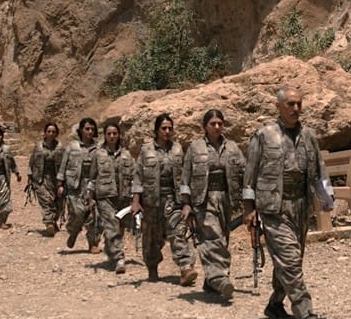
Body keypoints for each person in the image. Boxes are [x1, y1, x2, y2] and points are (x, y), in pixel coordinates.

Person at [242, 87, 333, 319]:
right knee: (289, 259)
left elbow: (319, 170)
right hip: (274, 208)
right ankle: (305, 312)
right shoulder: (263, 135)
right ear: (278, 106)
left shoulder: (309, 136)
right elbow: (250, 174)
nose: (295, 108)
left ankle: (275, 304)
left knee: (292, 259)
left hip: (300, 206)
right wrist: (249, 209)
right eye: (290, 104)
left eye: (299, 104)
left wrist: (326, 198)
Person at [180, 109, 245, 300]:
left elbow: (245, 171)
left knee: (222, 238)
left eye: (220, 123)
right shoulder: (195, 148)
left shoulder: (232, 147)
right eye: (213, 124)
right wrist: (186, 204)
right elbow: (185, 180)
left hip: (226, 199)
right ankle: (220, 279)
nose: (217, 127)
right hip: (204, 200)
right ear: (205, 127)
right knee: (212, 237)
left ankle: (210, 282)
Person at [132, 113, 196, 285]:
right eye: (163, 128)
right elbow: (138, 176)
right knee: (151, 238)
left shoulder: (178, 149)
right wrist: (136, 201)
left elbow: (185, 176)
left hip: (173, 200)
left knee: (177, 232)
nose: (167, 131)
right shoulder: (146, 150)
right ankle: (152, 267)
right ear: (156, 130)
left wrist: (187, 202)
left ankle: (185, 268)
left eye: (169, 128)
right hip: (151, 201)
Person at [87, 120, 136, 273]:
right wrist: (91, 197)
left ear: (119, 135)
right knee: (111, 226)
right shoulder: (98, 154)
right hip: (105, 197)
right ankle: (119, 258)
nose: (112, 136)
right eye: (109, 134)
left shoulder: (127, 155)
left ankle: (111, 250)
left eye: (115, 133)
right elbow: (92, 177)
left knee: (120, 227)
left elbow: (134, 177)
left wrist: (136, 197)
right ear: (105, 136)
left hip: (124, 197)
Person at [57, 118, 99, 250]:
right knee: (77, 213)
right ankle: (74, 230)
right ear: (81, 130)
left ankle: (93, 243)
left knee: (93, 215)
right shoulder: (72, 147)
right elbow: (63, 166)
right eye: (87, 129)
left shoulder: (98, 148)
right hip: (74, 185)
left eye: (92, 129)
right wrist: (60, 184)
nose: (90, 131)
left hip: (92, 185)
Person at [28, 122, 65, 237]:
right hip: (41, 178)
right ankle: (49, 222)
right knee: (46, 200)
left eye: (53, 131)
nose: (51, 133)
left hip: (56, 179)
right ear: (45, 133)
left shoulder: (60, 148)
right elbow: (32, 161)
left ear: (56, 133)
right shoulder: (38, 147)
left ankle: (53, 221)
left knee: (58, 203)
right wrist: (29, 176)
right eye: (49, 131)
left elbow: (65, 164)